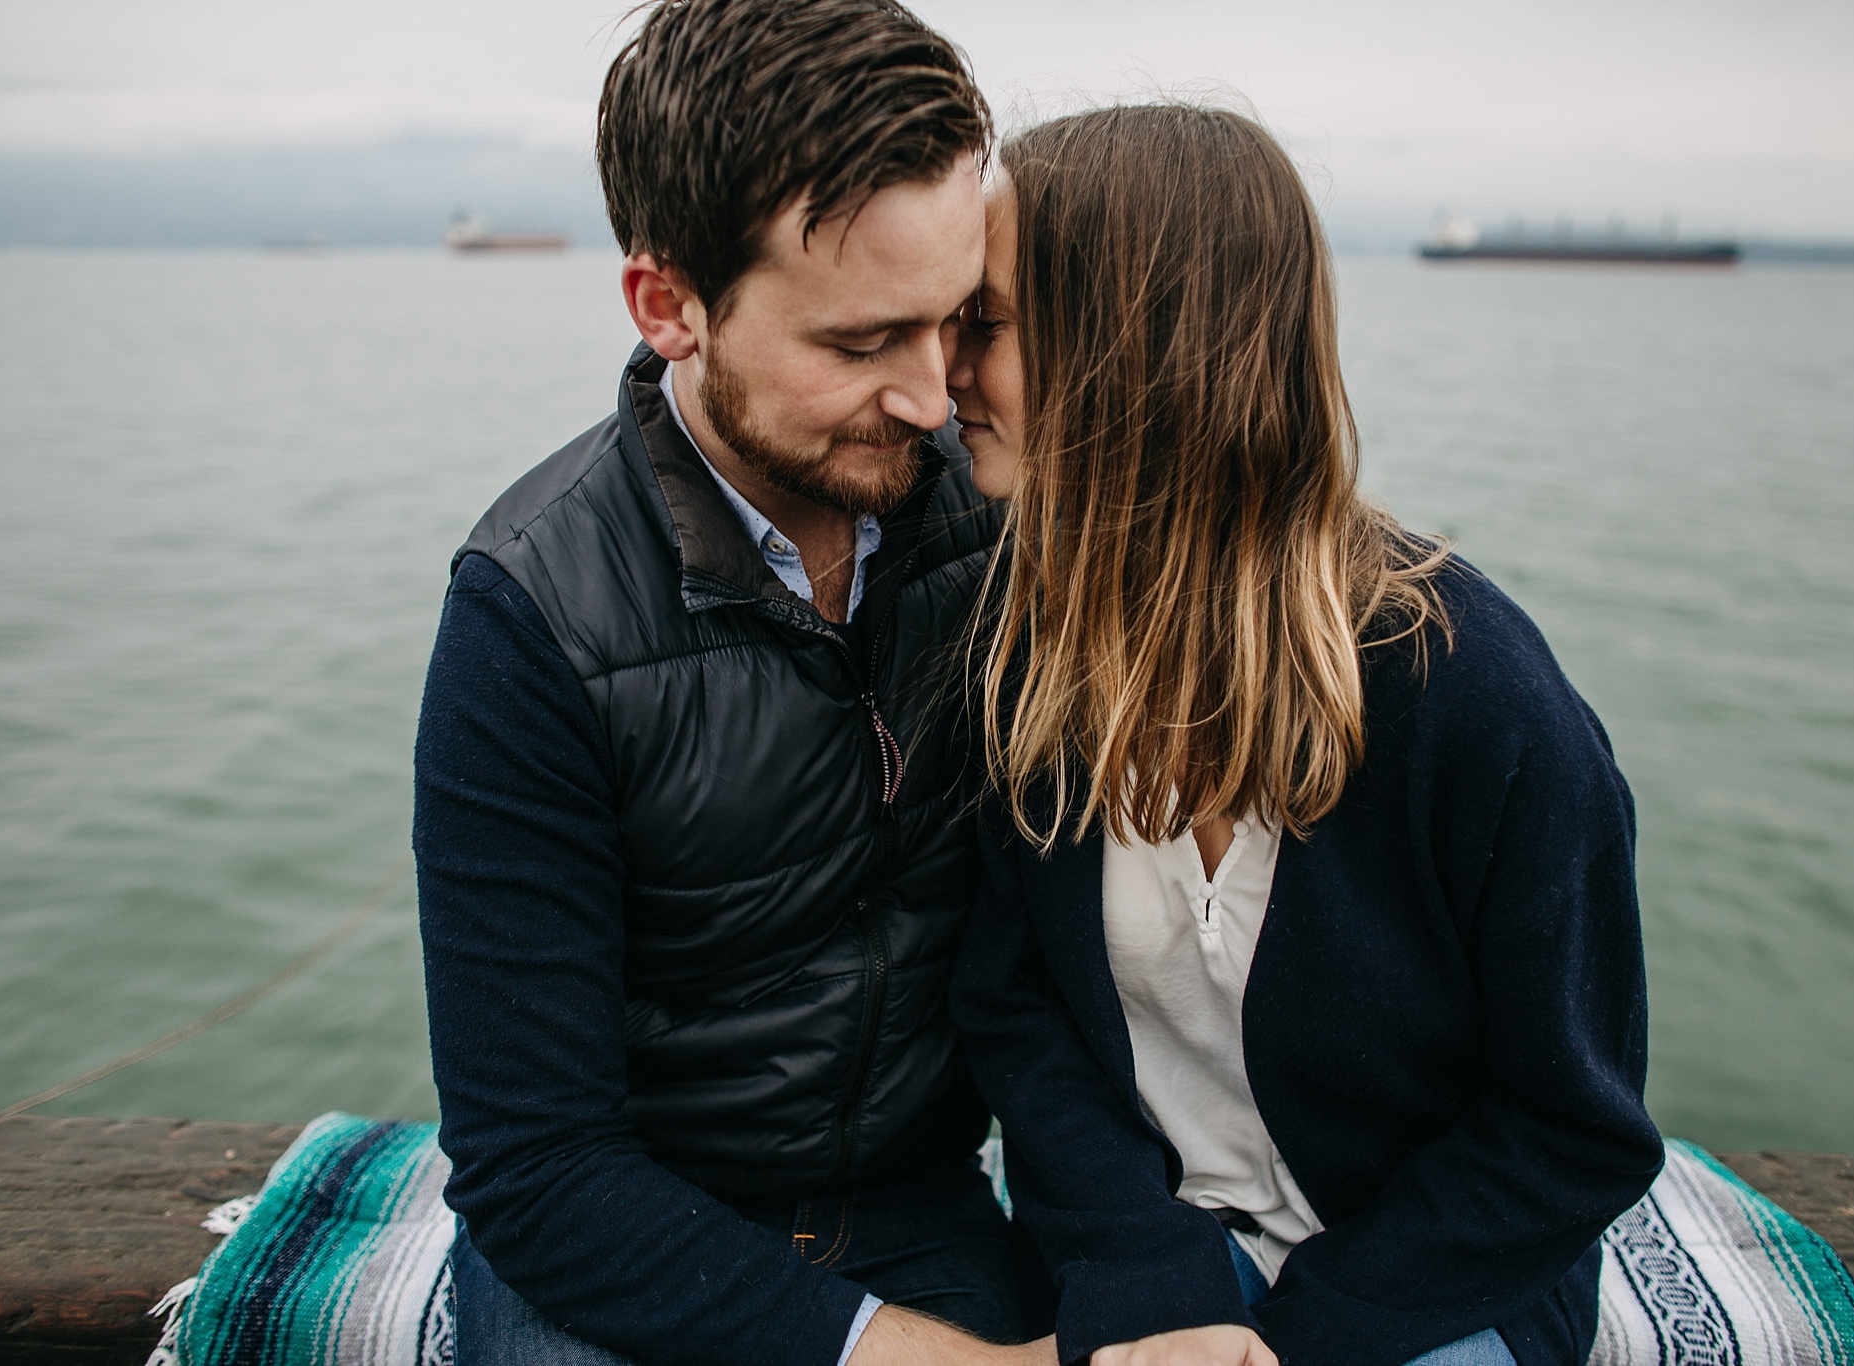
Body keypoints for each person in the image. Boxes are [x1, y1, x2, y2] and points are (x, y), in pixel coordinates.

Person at [947, 105, 1665, 1366]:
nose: (943, 367)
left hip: (1426, 1291)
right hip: (1146, 1248)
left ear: (1127, 343)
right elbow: (1016, 1019)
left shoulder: (1476, 702)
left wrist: (1301, 1341)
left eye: (986, 323)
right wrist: (1148, 1279)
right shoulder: (1012, 647)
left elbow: (1570, 1129)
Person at [412, 3, 1053, 1362]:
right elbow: (537, 1165)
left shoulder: (993, 523)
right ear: (669, 305)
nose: (935, 398)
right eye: (862, 341)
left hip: (926, 1204)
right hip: (621, 1242)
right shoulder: (527, 618)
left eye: (953, 322)